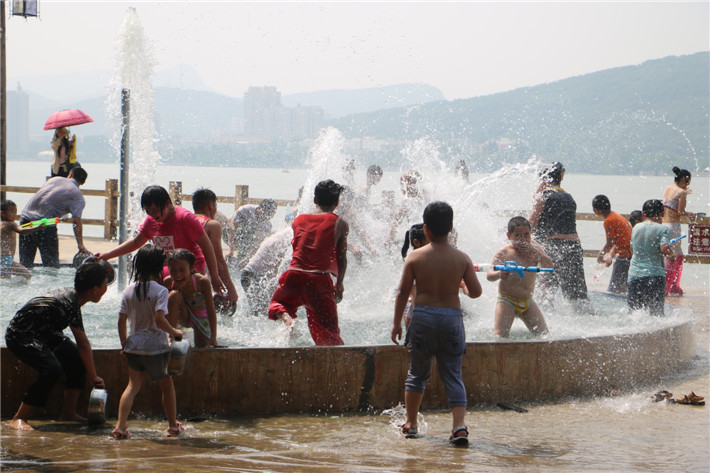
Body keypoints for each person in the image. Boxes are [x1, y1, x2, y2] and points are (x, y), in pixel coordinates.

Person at [391, 201, 482, 445]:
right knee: (452, 374)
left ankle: (411, 424)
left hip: (423, 318)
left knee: (417, 374)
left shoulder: (415, 257)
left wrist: (397, 323)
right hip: (451, 318)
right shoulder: (461, 258)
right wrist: (461, 285)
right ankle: (459, 427)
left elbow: (402, 292)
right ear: (451, 228)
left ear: (426, 229)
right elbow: (476, 292)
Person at [5, 263, 108, 430]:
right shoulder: (70, 303)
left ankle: (68, 412)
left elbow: (81, 346)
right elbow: (83, 343)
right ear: (95, 289)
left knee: (77, 359)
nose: (106, 287)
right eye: (105, 283)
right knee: (52, 368)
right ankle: (19, 417)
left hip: (45, 333)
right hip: (20, 335)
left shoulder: (74, 299)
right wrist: (94, 376)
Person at [112, 245, 185, 439]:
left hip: (134, 346)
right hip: (155, 348)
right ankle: (173, 425)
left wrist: (124, 345)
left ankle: (120, 426)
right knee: (166, 385)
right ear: (159, 267)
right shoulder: (160, 291)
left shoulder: (128, 290)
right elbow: (159, 319)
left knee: (132, 386)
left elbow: (121, 320)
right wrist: (175, 332)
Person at [97, 185, 225, 296]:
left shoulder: (185, 218)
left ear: (167, 203)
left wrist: (214, 277)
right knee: (143, 284)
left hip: (190, 268)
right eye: (148, 211)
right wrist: (106, 255)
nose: (152, 214)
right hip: (168, 268)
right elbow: (136, 242)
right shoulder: (151, 220)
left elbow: (207, 247)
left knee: (167, 282)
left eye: (155, 210)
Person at [268, 180, 349, 346]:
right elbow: (342, 257)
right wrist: (339, 283)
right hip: (318, 280)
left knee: (279, 304)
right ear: (337, 202)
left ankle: (287, 318)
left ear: (315, 199)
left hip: (294, 274)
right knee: (329, 333)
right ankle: (331, 361)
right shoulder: (340, 223)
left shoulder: (298, 220)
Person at [529, 162, 588, 302]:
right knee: (576, 295)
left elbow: (531, 224)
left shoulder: (542, 196)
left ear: (544, 178)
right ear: (561, 176)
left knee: (546, 291)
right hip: (574, 247)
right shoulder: (569, 197)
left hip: (555, 246)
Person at [487, 216, 552, 338]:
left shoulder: (534, 249)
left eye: (526, 235)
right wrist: (500, 274)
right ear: (509, 236)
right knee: (500, 336)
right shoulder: (504, 252)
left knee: (545, 336)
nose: (523, 240)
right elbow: (489, 275)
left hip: (528, 302)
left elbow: (550, 265)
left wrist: (535, 252)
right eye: (518, 236)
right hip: (507, 300)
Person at [19, 167, 90, 268]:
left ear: (70, 174)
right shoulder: (78, 197)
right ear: (82, 183)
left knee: (25, 264)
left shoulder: (53, 180)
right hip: (45, 226)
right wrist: (80, 244)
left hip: (26, 221)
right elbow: (76, 221)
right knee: (51, 267)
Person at [164, 249, 221, 348]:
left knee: (202, 347)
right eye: (173, 270)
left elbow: (211, 309)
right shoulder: (168, 282)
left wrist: (213, 336)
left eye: (182, 270)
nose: (177, 275)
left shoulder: (202, 282)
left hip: (201, 317)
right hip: (183, 316)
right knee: (174, 295)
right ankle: (171, 338)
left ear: (191, 268)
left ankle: (202, 337)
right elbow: (162, 308)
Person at [192, 188, 238, 307]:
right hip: (197, 277)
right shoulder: (212, 225)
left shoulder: (186, 221)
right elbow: (219, 260)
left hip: (179, 274)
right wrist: (231, 289)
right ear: (211, 205)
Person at [628, 199, 673, 316]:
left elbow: (632, 249)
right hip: (654, 275)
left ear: (643, 214)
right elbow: (664, 248)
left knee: (634, 313)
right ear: (662, 213)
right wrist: (671, 255)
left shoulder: (635, 228)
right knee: (656, 314)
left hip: (634, 276)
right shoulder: (663, 229)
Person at [241, 225, 293, 317]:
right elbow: (276, 266)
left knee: (257, 312)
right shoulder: (288, 238)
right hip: (254, 276)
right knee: (262, 313)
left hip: (248, 274)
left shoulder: (282, 235)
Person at [662, 166, 696, 296]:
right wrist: (690, 214)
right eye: (688, 182)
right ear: (683, 180)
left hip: (664, 224)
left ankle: (673, 285)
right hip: (673, 226)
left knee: (674, 254)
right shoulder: (681, 193)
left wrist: (684, 191)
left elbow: (669, 205)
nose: (687, 185)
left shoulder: (668, 188)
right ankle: (668, 287)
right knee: (673, 256)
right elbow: (680, 212)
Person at [591, 195, 633, 294]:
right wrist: (611, 255)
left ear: (596, 211)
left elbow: (610, 242)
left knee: (614, 290)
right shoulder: (616, 216)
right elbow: (619, 239)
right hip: (630, 255)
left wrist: (601, 255)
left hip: (624, 257)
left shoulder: (608, 221)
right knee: (624, 289)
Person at [1, 200, 46, 280]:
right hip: (6, 259)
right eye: (12, 212)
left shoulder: (2, 224)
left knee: (5, 279)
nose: (14, 215)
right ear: (2, 213)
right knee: (26, 275)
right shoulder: (11, 224)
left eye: (15, 212)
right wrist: (38, 227)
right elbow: (21, 231)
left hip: (2, 258)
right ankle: (18, 287)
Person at [227, 199, 277, 268]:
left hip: (245, 242)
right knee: (247, 230)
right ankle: (236, 257)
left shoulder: (267, 225)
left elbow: (256, 243)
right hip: (229, 235)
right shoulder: (245, 210)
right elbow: (231, 229)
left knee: (254, 242)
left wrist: (247, 258)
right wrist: (230, 250)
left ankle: (240, 260)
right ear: (262, 210)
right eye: (270, 213)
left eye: (273, 213)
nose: (272, 216)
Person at [400, 223, 429, 331]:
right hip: (417, 313)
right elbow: (415, 298)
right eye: (429, 241)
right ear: (416, 242)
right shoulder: (417, 263)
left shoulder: (423, 259)